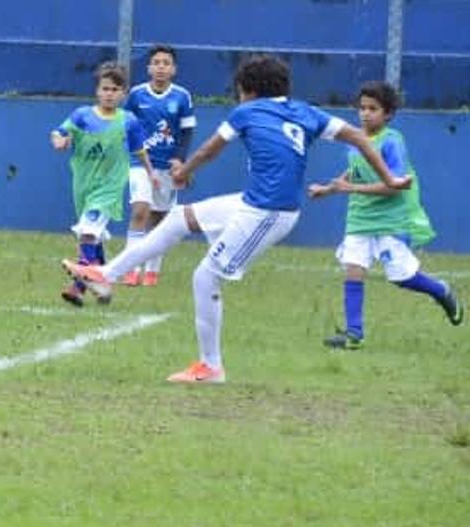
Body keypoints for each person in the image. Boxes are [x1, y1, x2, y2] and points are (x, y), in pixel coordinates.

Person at [66, 54, 409, 384]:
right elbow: (361, 138)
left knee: (205, 278)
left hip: (268, 212)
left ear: (248, 89)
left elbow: (210, 149)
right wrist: (391, 180)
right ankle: (105, 274)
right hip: (254, 204)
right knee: (177, 218)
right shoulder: (306, 111)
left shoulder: (246, 111)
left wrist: (183, 171)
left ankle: (211, 367)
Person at [309, 81, 462, 348]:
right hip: (359, 219)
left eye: (373, 108)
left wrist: (350, 188)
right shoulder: (355, 140)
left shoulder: (392, 142)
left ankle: (441, 290)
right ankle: (354, 334)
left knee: (402, 277)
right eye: (362, 108)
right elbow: (354, 169)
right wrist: (329, 189)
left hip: (390, 222)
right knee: (353, 270)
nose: (365, 113)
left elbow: (393, 187)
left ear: (388, 114)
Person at [50, 61, 152, 308]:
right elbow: (59, 132)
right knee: (93, 238)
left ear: (123, 94)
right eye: (105, 88)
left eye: (115, 89)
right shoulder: (82, 116)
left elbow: (140, 150)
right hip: (83, 186)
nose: (109, 93)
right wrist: (59, 141)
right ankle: (103, 286)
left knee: (87, 232)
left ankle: (78, 285)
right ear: (97, 90)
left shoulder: (128, 121)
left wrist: (152, 174)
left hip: (109, 189)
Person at [119, 45, 196, 287]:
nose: (161, 67)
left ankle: (152, 271)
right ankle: (131, 269)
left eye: (166, 63)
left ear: (173, 69)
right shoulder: (137, 95)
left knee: (159, 218)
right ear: (149, 67)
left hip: (167, 166)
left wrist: (180, 159)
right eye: (156, 62)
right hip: (140, 162)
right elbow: (125, 125)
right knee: (140, 210)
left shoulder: (182, 96)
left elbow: (186, 131)